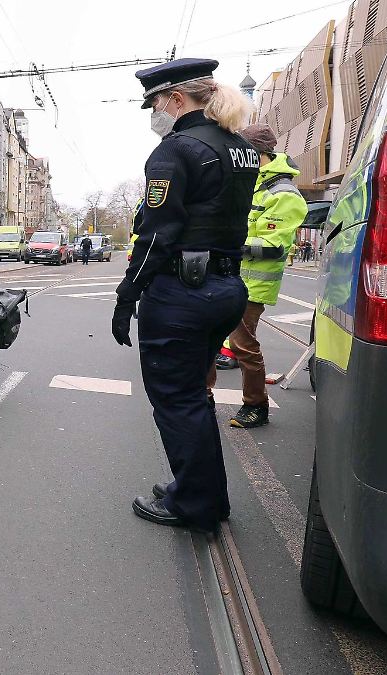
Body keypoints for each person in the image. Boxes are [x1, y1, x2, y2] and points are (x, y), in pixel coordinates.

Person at [110, 58, 258, 534]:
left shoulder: (177, 150)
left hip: (181, 293)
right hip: (226, 287)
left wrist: (127, 295)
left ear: (174, 98)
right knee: (193, 395)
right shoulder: (240, 147)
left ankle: (195, 504)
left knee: (177, 399)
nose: (153, 112)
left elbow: (157, 233)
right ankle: (203, 492)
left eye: (154, 102)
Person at [207, 124, 307, 429]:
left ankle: (256, 405)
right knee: (209, 340)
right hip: (226, 277)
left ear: (257, 153)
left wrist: (228, 244)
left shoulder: (284, 194)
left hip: (252, 285)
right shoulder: (251, 184)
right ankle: (204, 398)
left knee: (242, 346)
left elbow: (274, 248)